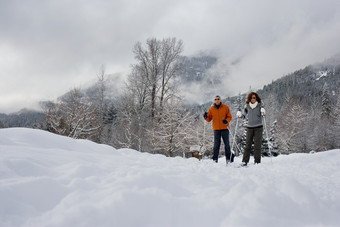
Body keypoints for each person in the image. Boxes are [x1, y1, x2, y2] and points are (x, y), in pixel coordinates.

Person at [203, 95, 234, 163]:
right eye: (215, 99)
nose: (217, 100)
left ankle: (228, 159)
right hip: (216, 129)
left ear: (220, 100)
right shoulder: (211, 109)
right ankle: (215, 160)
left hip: (225, 128)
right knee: (216, 145)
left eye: (218, 99)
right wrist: (205, 117)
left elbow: (229, 117)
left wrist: (226, 120)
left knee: (227, 144)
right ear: (214, 101)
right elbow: (209, 119)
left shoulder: (225, 107)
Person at [240, 92, 266, 166]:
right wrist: (240, 115)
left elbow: (263, 115)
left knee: (257, 145)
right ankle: (245, 161)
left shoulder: (260, 105)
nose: (253, 99)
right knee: (248, 145)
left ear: (256, 98)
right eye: (251, 98)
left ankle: (257, 162)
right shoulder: (247, 106)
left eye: (254, 98)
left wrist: (263, 112)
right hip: (249, 127)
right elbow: (243, 115)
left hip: (258, 127)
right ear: (249, 99)